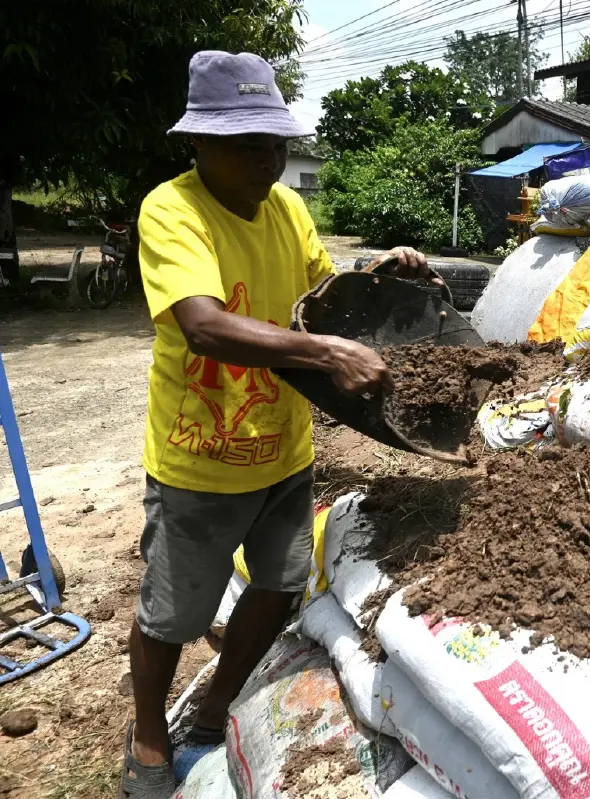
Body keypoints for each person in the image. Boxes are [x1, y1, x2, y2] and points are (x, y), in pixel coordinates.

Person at [120, 51, 435, 798]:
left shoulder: (287, 208)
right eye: (247, 144)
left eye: (276, 142)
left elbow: (319, 291)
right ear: (199, 143)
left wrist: (382, 268)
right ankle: (147, 732)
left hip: (283, 451)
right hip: (200, 458)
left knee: (282, 583)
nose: (268, 159)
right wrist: (325, 350)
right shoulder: (172, 210)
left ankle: (216, 702)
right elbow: (201, 324)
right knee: (174, 612)